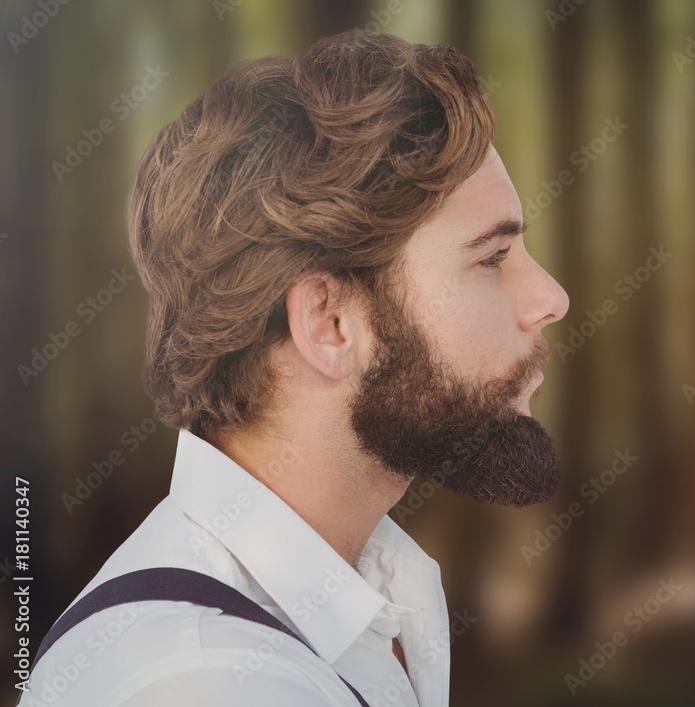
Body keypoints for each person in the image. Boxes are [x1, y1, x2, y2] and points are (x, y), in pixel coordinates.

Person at [20, 28, 569, 707]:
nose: (551, 298)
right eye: (491, 258)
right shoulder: (202, 684)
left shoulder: (370, 593)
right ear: (329, 322)